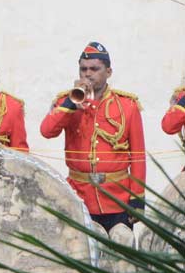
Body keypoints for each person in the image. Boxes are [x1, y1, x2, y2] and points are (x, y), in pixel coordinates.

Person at [40, 42, 146, 231]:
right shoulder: (67, 102)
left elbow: (137, 155)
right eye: (83, 69)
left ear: (108, 72)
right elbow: (47, 131)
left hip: (118, 198)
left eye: (94, 69)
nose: (88, 74)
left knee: (120, 254)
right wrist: (70, 104)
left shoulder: (127, 105)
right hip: (80, 197)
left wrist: (137, 198)